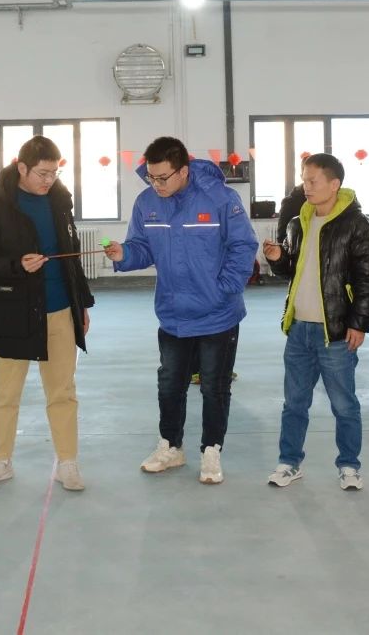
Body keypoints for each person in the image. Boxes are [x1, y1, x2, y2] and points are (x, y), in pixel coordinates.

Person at [103, 136, 257, 485]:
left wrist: (225, 288)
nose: (156, 184)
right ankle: (171, 446)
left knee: (214, 387)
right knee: (170, 385)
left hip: (217, 314)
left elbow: (243, 245)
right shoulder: (147, 203)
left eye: (162, 178)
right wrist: (124, 254)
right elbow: (142, 247)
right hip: (173, 314)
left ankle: (211, 450)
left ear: (183, 171)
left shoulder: (220, 199)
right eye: (151, 177)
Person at [0, 136, 95, 492]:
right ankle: (0, 461)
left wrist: (82, 303)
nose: (49, 180)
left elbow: (72, 255)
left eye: (54, 173)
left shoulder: (61, 203)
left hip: (60, 310)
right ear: (21, 168)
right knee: (4, 394)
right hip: (12, 314)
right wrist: (16, 265)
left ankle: (67, 463)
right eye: (42, 173)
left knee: (63, 391)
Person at [262, 154, 369, 490]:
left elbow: (368, 279)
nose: (306, 187)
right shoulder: (297, 223)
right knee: (294, 404)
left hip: (336, 332)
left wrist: (359, 324)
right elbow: (292, 270)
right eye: (304, 180)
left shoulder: (356, 225)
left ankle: (349, 466)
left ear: (334, 184)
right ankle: (289, 463)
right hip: (299, 328)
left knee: (344, 404)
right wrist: (278, 259)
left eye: (313, 181)